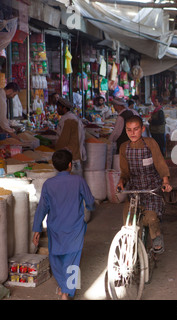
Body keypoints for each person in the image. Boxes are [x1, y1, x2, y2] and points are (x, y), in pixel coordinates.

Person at [32, 149, 95, 300]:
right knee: (73, 258)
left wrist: (37, 228)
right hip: (75, 228)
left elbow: (42, 208)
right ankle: (67, 292)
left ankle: (63, 287)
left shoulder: (48, 184)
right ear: (70, 165)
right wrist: (90, 208)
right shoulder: (78, 181)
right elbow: (90, 201)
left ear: (54, 166)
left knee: (56, 257)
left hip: (55, 228)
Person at [116, 115, 172, 253]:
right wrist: (121, 182)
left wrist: (165, 182)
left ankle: (156, 238)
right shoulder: (124, 147)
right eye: (129, 130)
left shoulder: (150, 143)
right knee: (129, 221)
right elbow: (125, 172)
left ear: (142, 129)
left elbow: (160, 163)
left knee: (151, 218)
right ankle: (131, 250)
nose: (132, 133)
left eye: (136, 129)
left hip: (151, 187)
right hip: (134, 188)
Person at [55, 98, 86, 176]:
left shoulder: (69, 120)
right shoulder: (70, 118)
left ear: (64, 108)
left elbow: (63, 141)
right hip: (73, 157)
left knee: (73, 184)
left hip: (72, 159)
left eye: (58, 108)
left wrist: (55, 152)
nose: (57, 110)